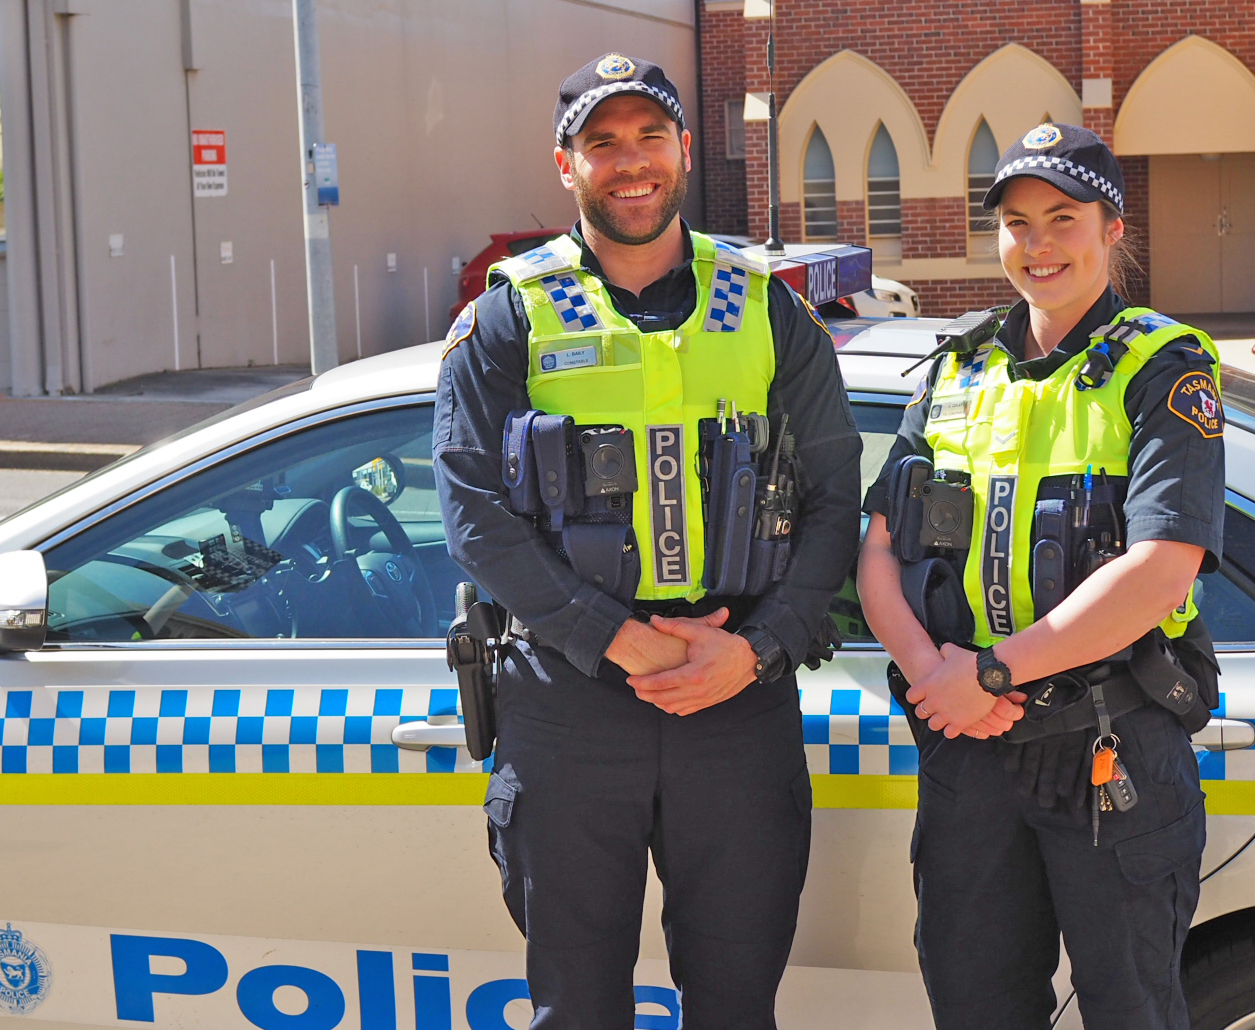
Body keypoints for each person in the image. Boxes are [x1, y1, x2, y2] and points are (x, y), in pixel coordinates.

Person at [433, 53, 862, 1030]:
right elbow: (470, 513)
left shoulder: (768, 308)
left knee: (735, 1006)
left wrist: (754, 651)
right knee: (576, 1011)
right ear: (565, 164)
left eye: (647, 137)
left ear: (680, 150)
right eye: (601, 143)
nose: (629, 163)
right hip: (570, 704)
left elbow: (837, 500)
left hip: (735, 702)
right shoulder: (506, 317)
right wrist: (614, 636)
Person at [857, 123, 1225, 1030]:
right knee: (975, 1007)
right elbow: (877, 552)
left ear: (1113, 229)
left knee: (1133, 1009)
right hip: (968, 755)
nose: (1039, 243)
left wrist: (986, 673)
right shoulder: (954, 369)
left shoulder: (1163, 367)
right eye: (1018, 222)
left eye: (1064, 218)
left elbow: (1160, 570)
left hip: (1111, 747)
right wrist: (935, 679)